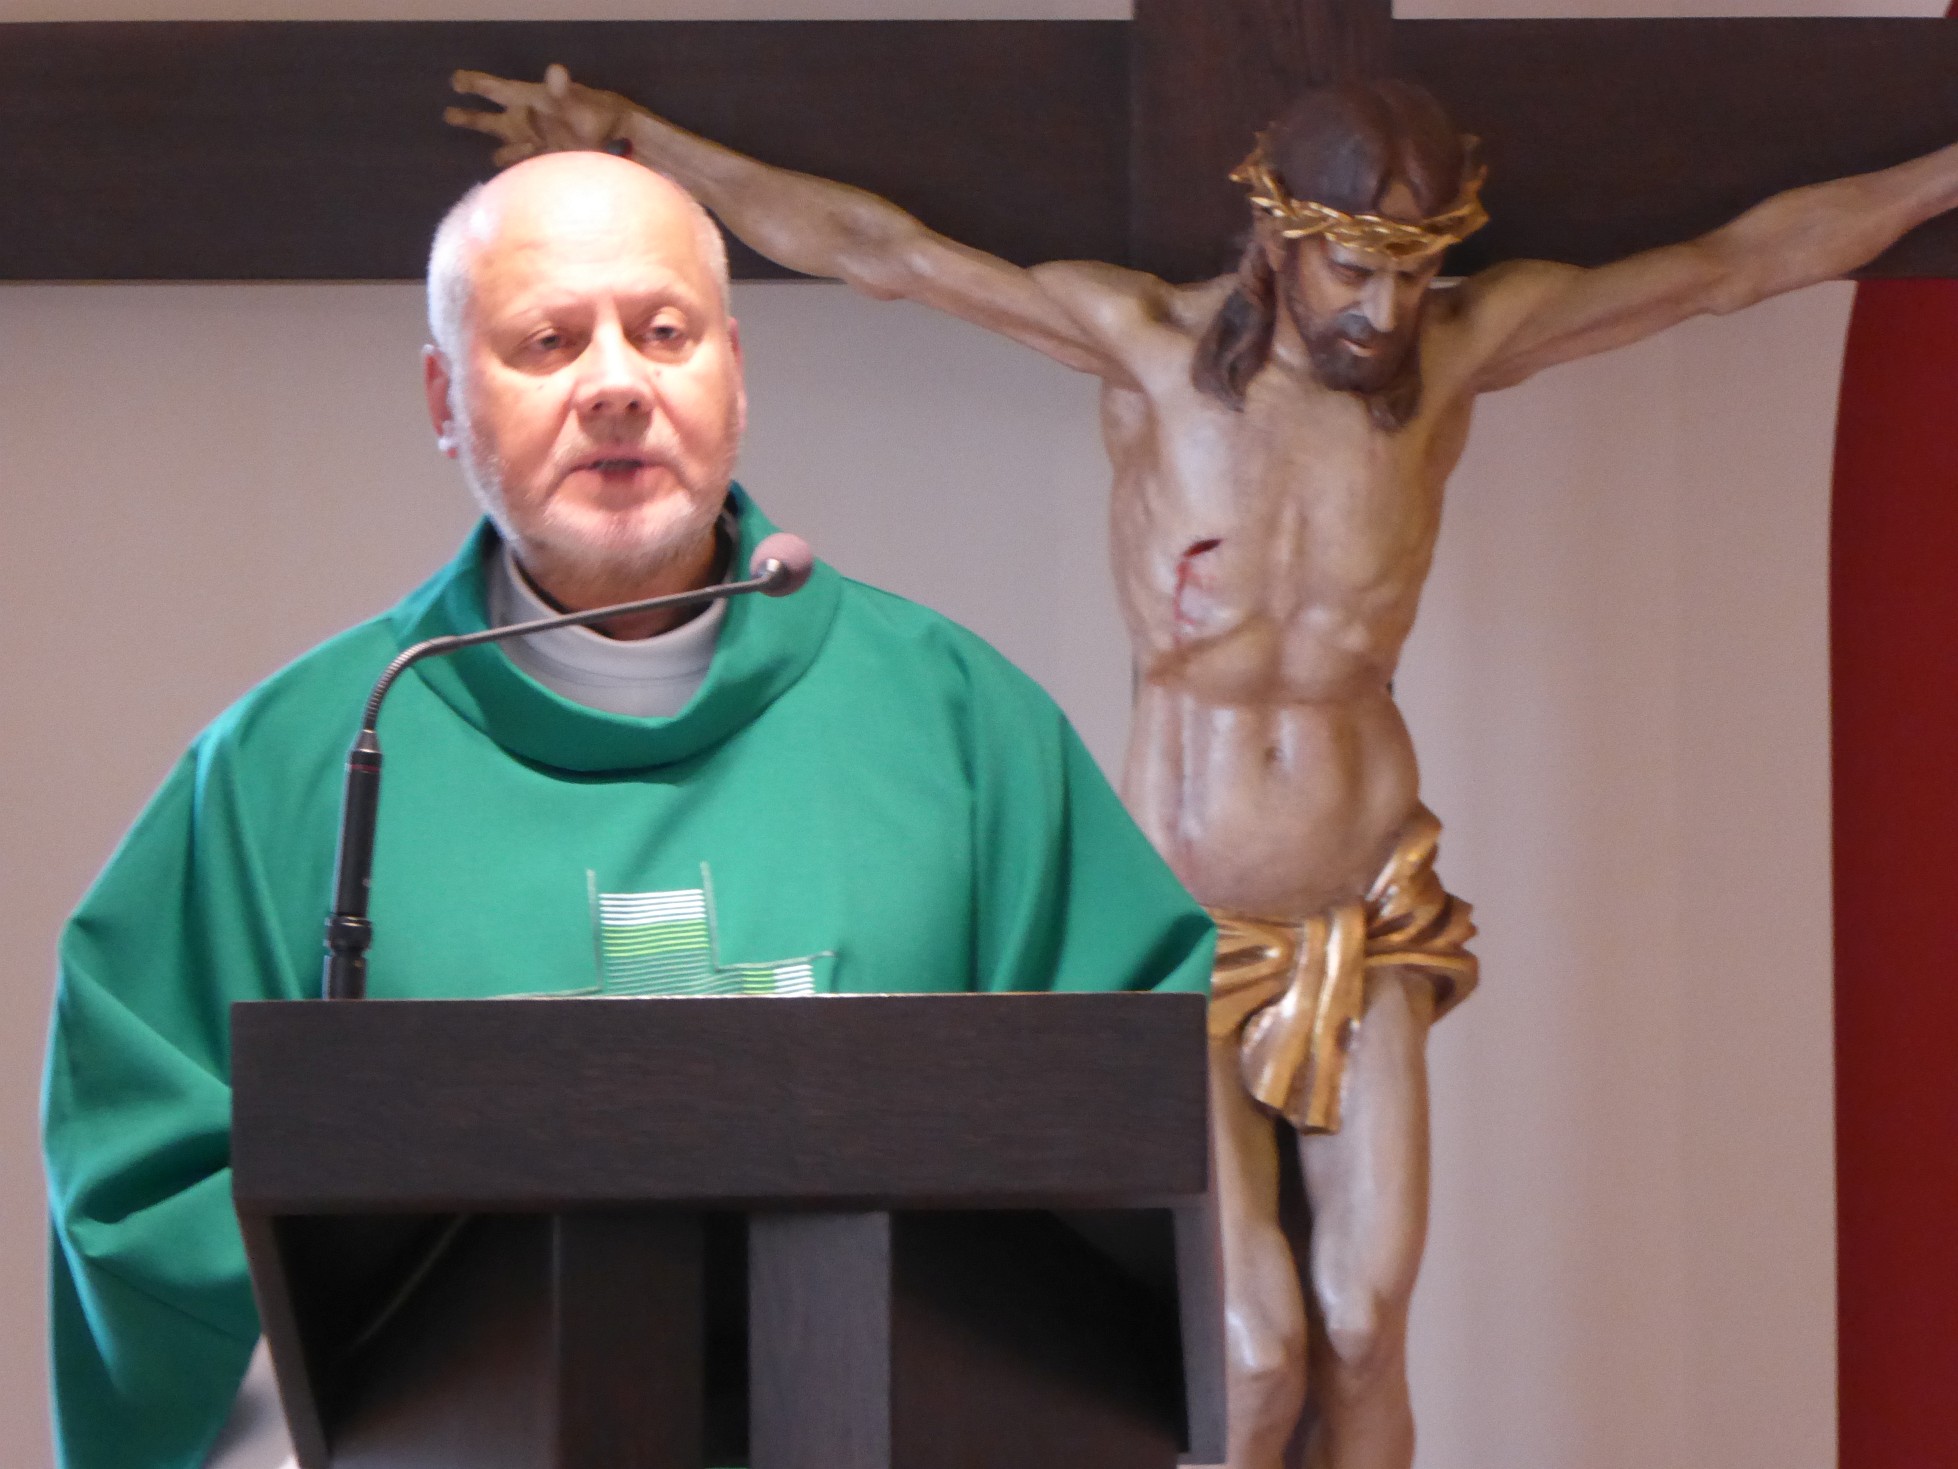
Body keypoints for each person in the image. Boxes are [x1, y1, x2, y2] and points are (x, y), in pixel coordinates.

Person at [445, 66, 1958, 1469]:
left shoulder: (1452, 358)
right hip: (1177, 925)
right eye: (1353, 266)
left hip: (1366, 913)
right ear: (1277, 239)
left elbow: (1732, 264)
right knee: (1250, 1352)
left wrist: (1942, 174)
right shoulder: (1148, 353)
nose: (1386, 305)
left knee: (1362, 1325)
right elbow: (878, 249)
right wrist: (642, 148)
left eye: (1415, 267)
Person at [41, 152, 1215, 1469]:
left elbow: (1138, 1114)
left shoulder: (959, 729)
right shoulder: (302, 764)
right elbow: (145, 1186)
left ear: (734, 373)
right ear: (445, 399)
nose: (616, 384)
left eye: (664, 332)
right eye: (547, 341)